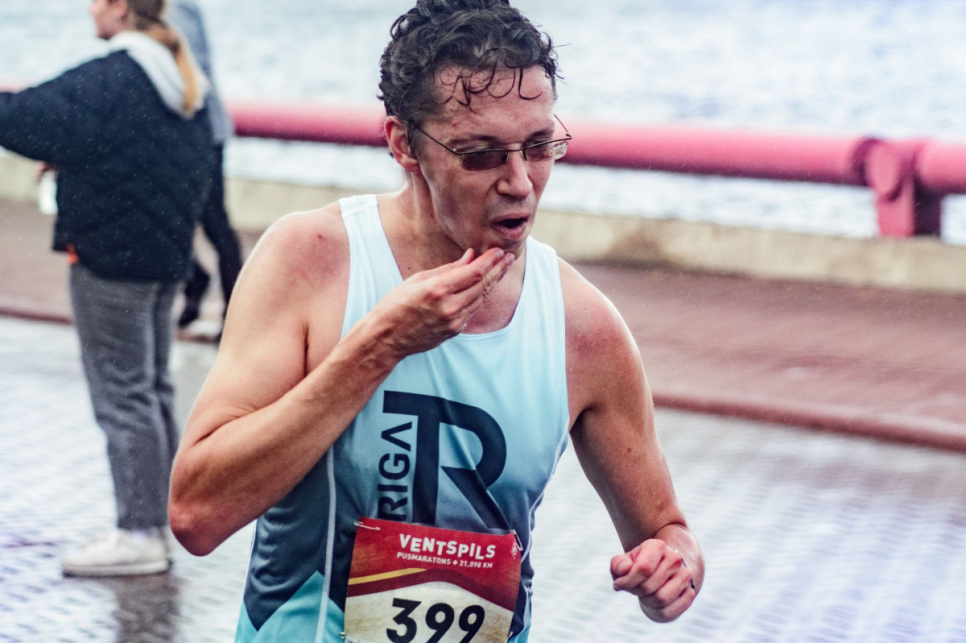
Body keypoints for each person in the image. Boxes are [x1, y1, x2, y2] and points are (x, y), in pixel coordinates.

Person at [169, 0, 704, 640]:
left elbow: (666, 531)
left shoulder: (583, 326)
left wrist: (672, 571)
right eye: (481, 155)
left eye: (539, 147)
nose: (520, 182)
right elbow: (197, 514)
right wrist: (376, 348)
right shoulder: (312, 260)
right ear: (404, 144)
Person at [0, 0, 214, 576]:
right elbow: (151, 154)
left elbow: (18, 118)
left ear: (120, 8)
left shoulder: (112, 76)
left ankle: (139, 534)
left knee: (122, 397)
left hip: (109, 260)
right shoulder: (181, 80)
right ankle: (162, 519)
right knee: (152, 390)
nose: (89, 8)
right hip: (164, 258)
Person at [167, 0, 244, 332]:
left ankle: (236, 315)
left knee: (214, 224)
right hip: (178, 133)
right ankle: (196, 280)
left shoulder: (174, 7)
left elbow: (191, 70)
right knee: (167, 218)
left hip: (201, 134)